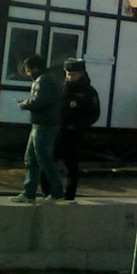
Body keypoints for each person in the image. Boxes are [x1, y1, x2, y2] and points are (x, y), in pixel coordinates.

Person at [41, 58, 100, 201]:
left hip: (73, 134)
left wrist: (78, 126)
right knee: (47, 162)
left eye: (73, 75)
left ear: (81, 74)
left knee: (72, 166)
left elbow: (94, 114)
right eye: (68, 74)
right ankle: (48, 192)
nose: (70, 77)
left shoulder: (89, 92)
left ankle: (69, 195)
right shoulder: (61, 89)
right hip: (56, 132)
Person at [9, 54, 65, 203]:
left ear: (35, 68)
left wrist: (24, 104)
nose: (28, 74)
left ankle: (56, 192)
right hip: (42, 124)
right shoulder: (50, 78)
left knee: (43, 159)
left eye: (28, 70)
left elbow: (39, 101)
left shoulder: (44, 80)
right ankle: (29, 193)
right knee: (31, 159)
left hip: (44, 125)